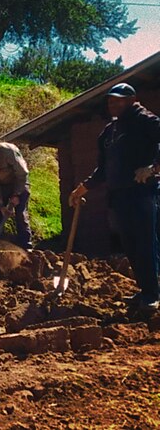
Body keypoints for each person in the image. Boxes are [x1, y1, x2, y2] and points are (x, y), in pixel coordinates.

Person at [70, 83, 160, 311]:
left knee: (145, 243)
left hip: (142, 192)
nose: (113, 104)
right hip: (119, 196)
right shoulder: (110, 132)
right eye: (111, 100)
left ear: (132, 100)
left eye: (118, 100)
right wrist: (83, 188)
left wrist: (153, 168)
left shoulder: (145, 120)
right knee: (129, 245)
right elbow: (103, 169)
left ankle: (152, 295)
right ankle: (145, 290)